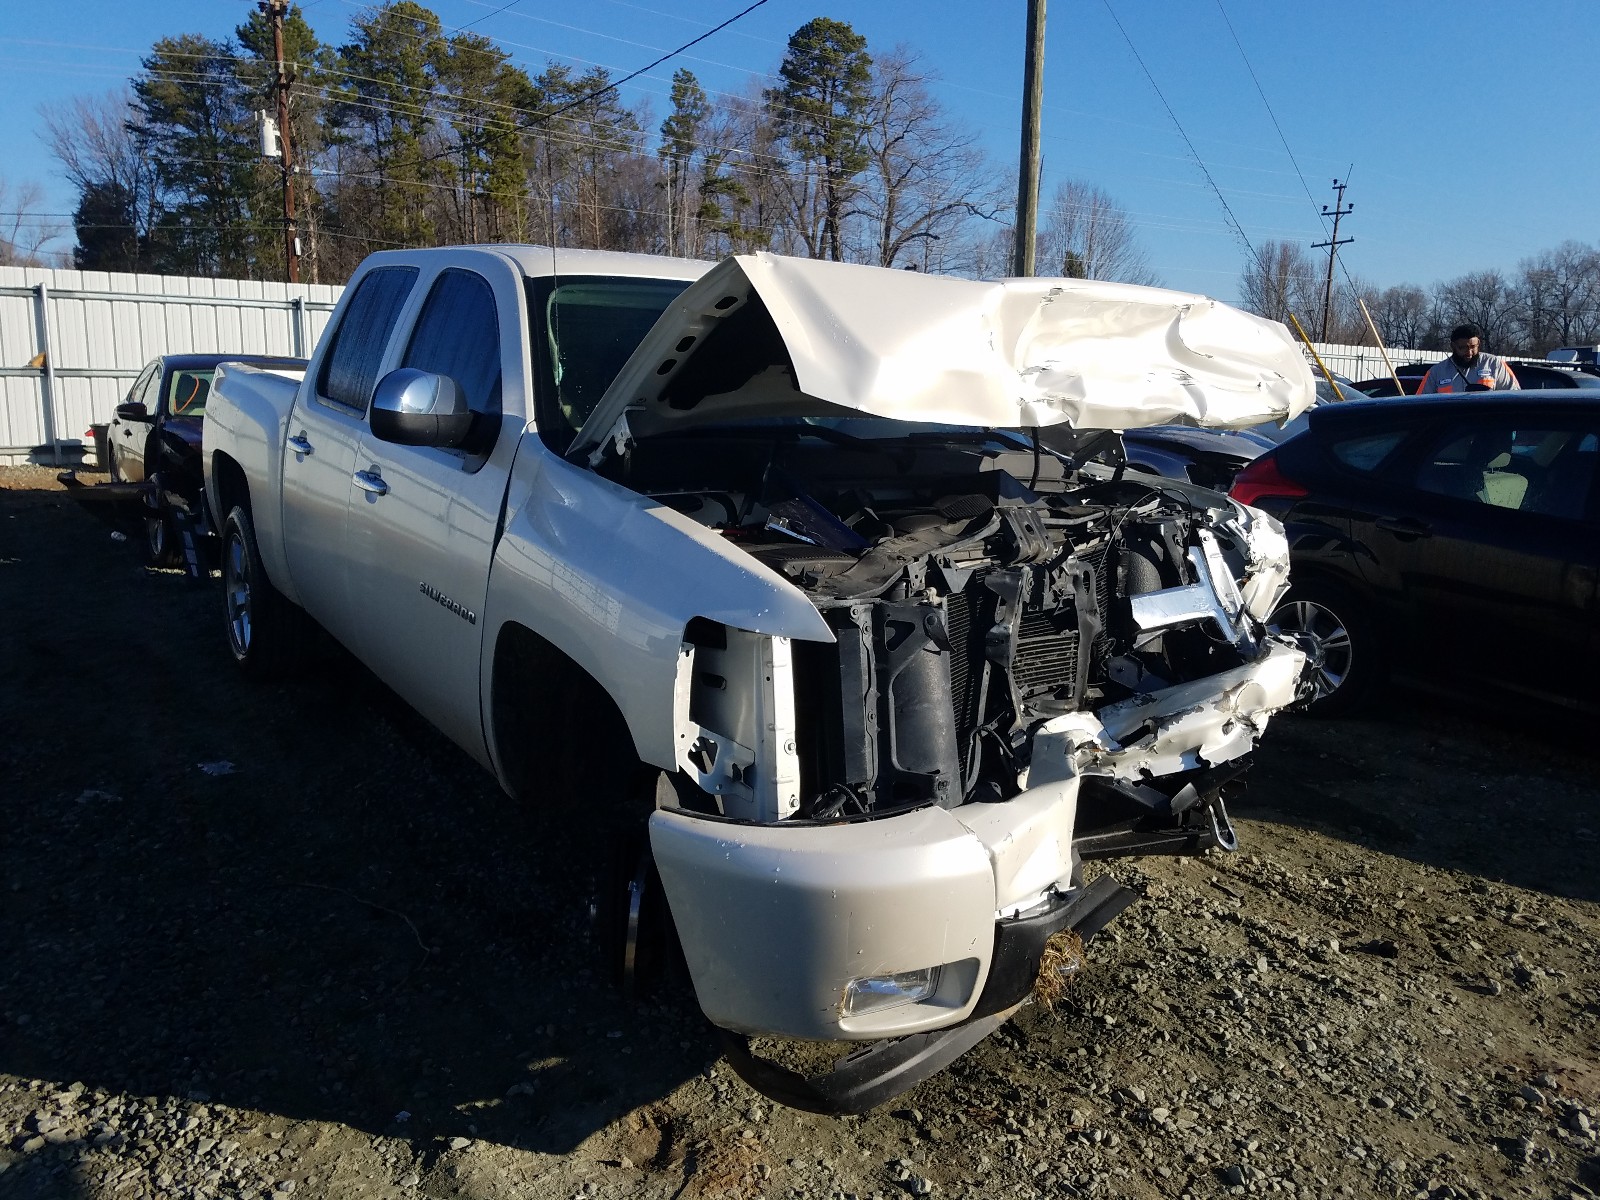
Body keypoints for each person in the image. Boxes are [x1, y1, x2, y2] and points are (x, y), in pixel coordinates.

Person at [1416, 324, 1519, 394]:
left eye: (1473, 347)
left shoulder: (1495, 364)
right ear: (1453, 346)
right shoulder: (1436, 373)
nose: (1469, 353)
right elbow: (1420, 404)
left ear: (1478, 343)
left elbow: (1514, 396)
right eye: (1463, 348)